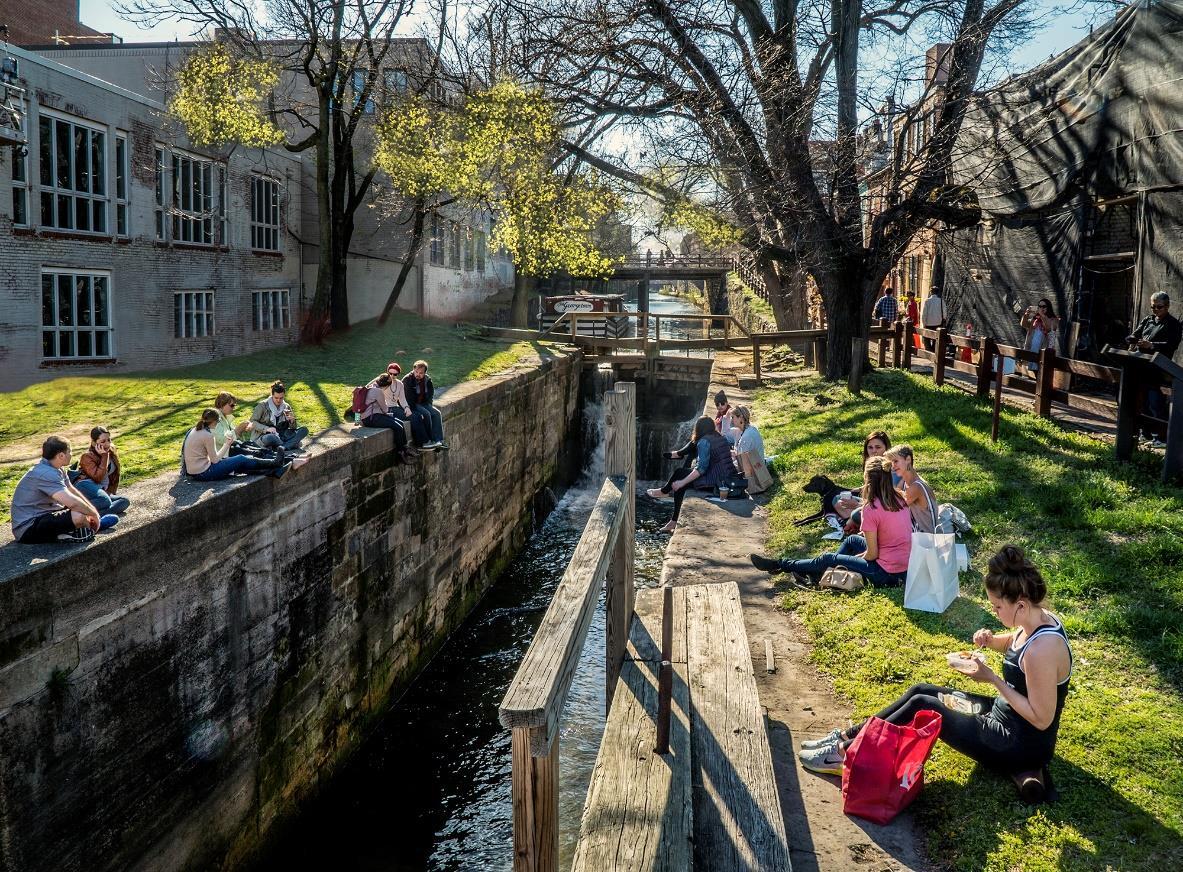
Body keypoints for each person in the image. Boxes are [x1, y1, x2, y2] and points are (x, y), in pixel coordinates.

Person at [795, 545, 1073, 805]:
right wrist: (992, 640)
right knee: (922, 690)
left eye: (998, 607)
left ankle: (845, 754)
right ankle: (848, 736)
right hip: (1004, 716)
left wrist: (992, 679)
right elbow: (1015, 641)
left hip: (1017, 743)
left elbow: (1041, 717)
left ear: (1020, 605)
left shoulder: (1042, 650)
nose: (994, 612)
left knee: (925, 706)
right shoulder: (1037, 618)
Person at [750, 456, 911, 587]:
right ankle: (817, 573)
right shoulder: (900, 498)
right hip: (904, 567)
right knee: (852, 540)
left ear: (867, 480)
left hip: (885, 573)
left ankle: (781, 564)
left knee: (828, 558)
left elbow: (872, 554)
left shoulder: (871, 509)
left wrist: (855, 559)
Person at [647, 415, 739, 534]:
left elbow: (701, 469)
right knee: (681, 475)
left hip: (716, 482)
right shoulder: (718, 436)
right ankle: (673, 519)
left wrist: (682, 482)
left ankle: (664, 492)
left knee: (681, 476)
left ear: (698, 429)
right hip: (726, 477)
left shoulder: (704, 442)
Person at [11, 436, 109, 544]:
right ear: (61, 455)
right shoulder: (46, 473)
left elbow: (72, 491)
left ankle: (81, 529)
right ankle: (76, 531)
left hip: (44, 516)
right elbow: (72, 503)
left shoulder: (57, 469)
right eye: (69, 451)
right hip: (27, 528)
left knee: (83, 510)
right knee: (78, 515)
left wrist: (92, 511)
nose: (71, 454)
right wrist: (94, 514)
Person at [1126, 292, 1182, 444]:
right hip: (1141, 365)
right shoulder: (1148, 319)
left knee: (1155, 402)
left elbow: (1172, 345)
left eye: (1159, 307)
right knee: (1141, 401)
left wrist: (1152, 345)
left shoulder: (1173, 324)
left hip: (1157, 368)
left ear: (1167, 306)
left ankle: (1162, 437)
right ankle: (1146, 433)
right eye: (1153, 307)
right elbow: (1134, 334)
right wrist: (1133, 339)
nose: (1155, 310)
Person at [184, 410, 289, 481]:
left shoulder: (194, 430)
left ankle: (276, 469)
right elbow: (215, 460)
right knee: (241, 458)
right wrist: (226, 444)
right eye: (218, 421)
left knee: (240, 467)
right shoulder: (207, 435)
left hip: (196, 472)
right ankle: (275, 462)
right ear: (215, 421)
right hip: (204, 472)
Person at [360, 374, 418, 464]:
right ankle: (400, 453)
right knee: (397, 427)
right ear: (387, 385)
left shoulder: (371, 386)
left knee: (401, 423)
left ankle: (405, 448)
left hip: (373, 416)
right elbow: (385, 409)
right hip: (371, 418)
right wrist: (389, 414)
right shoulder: (378, 391)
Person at [833, 430, 892, 519]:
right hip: (870, 503)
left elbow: (887, 501)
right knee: (837, 499)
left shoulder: (891, 468)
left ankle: (854, 522)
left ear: (886, 448)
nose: (874, 451)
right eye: (870, 447)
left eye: (878, 447)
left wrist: (858, 505)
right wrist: (851, 490)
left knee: (856, 515)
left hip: (885, 508)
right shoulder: (870, 465)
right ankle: (853, 523)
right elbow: (870, 486)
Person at [75, 426, 130, 516]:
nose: (107, 444)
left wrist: (111, 492)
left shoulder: (111, 452)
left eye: (109, 440)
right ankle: (76, 509)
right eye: (103, 441)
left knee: (124, 501)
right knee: (105, 501)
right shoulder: (87, 456)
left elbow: (116, 475)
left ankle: (93, 515)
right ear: (93, 443)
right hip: (85, 485)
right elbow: (98, 478)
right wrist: (104, 457)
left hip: (102, 490)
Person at [885, 444, 937, 533]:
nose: (893, 466)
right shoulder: (906, 481)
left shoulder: (916, 487)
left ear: (908, 460)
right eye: (891, 463)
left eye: (896, 461)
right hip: (915, 534)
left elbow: (893, 509)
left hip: (925, 540)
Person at [248, 382, 309, 452]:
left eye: (281, 398)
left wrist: (292, 421)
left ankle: (282, 447)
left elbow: (293, 428)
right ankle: (290, 445)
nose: (278, 400)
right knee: (271, 437)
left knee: (304, 430)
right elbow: (252, 422)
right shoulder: (262, 406)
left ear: (284, 396)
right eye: (276, 398)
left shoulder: (286, 406)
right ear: (272, 395)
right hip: (264, 436)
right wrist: (267, 429)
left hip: (281, 436)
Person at [402, 360, 448, 450]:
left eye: (421, 373)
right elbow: (408, 399)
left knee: (436, 413)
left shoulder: (427, 379)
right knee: (426, 414)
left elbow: (430, 394)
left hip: (424, 403)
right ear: (413, 370)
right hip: (412, 404)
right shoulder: (407, 380)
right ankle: (430, 439)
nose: (418, 374)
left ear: (425, 373)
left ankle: (439, 440)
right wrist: (416, 409)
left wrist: (429, 405)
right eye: (416, 372)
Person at [1020, 298, 1060, 375]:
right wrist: (1026, 314)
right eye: (1039, 306)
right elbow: (1023, 324)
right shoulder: (1036, 319)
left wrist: (1042, 315)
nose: (1041, 308)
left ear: (1048, 307)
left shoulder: (1054, 320)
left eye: (1043, 306)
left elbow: (1049, 328)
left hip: (1044, 354)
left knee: (1041, 376)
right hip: (1032, 352)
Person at [730, 405, 766, 482]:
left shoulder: (746, 437)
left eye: (733, 417)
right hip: (759, 466)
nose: (731, 420)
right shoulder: (752, 429)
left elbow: (742, 463)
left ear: (741, 417)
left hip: (754, 473)